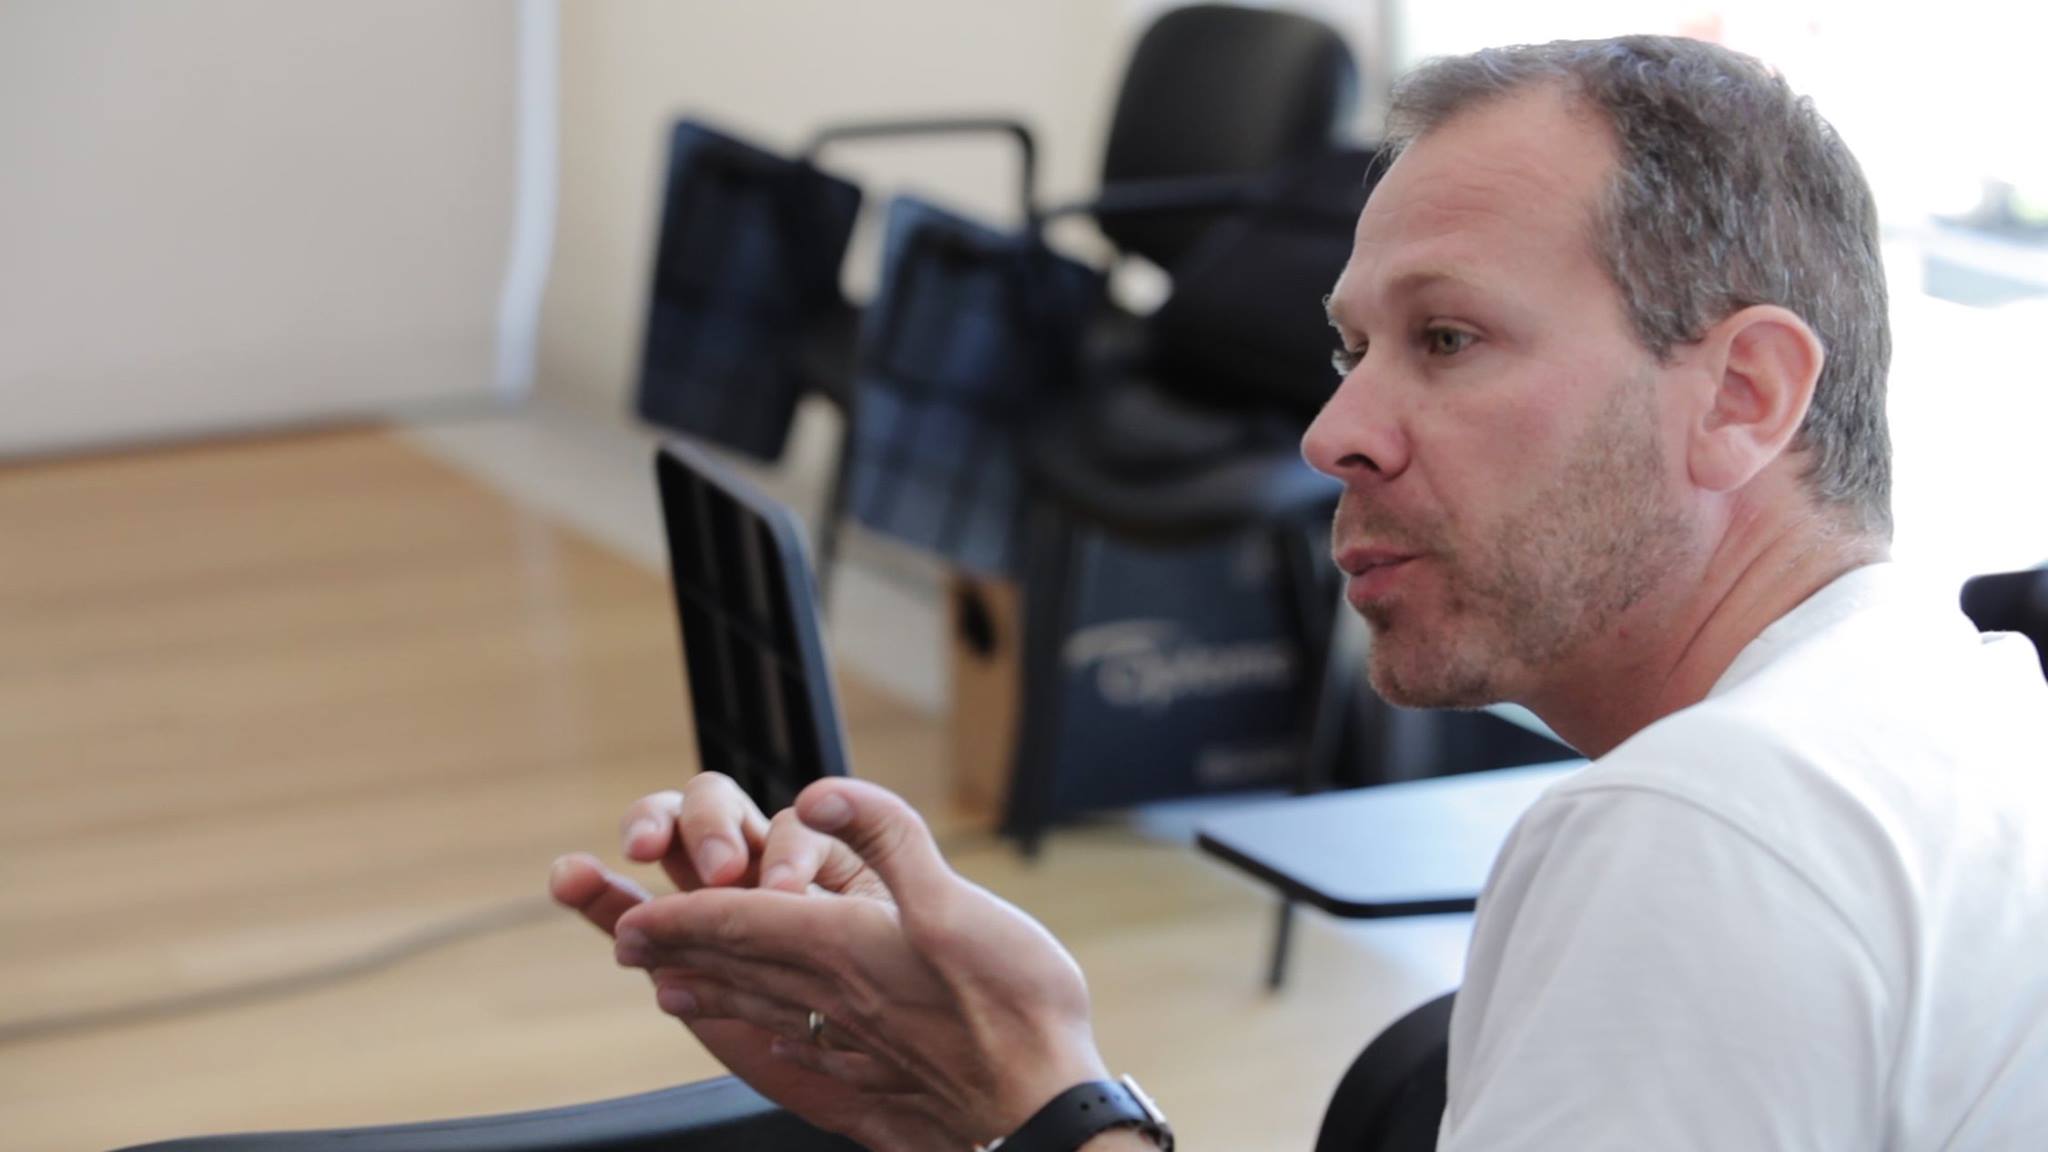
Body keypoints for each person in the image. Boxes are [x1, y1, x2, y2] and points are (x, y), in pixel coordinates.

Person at [550, 35, 2048, 1152]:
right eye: (1351, 350)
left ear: (1745, 395)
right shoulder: (1969, 702)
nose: (1333, 432)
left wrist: (1039, 1095)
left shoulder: (1704, 832)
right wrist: (980, 1092)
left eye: (1447, 339)